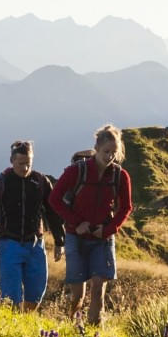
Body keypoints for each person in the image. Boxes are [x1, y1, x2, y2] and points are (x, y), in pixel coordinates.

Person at [48, 125, 133, 325]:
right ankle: (74, 326)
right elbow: (54, 199)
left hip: (102, 239)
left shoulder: (121, 176)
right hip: (75, 237)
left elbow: (126, 207)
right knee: (78, 292)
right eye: (106, 152)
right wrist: (77, 223)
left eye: (114, 152)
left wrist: (109, 229)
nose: (110, 156)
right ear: (96, 148)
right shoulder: (76, 171)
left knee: (98, 288)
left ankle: (95, 331)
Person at [0, 140, 65, 312]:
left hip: (36, 245)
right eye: (21, 164)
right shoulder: (0, 183)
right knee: (11, 296)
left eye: (28, 164)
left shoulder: (41, 181)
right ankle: (14, 325)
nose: (25, 168)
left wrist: (59, 241)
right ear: (12, 161)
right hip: (9, 244)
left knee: (36, 293)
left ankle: (25, 320)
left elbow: (52, 213)